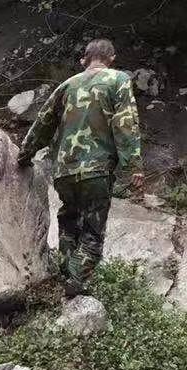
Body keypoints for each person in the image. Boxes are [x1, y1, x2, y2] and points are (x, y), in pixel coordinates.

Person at [18, 38, 142, 294]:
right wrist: (133, 166)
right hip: (96, 171)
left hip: (63, 172)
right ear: (112, 58)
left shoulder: (66, 85)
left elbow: (43, 123)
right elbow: (125, 124)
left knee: (69, 222)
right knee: (92, 238)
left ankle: (64, 275)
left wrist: (24, 154)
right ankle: (72, 283)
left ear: (84, 59)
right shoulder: (118, 80)